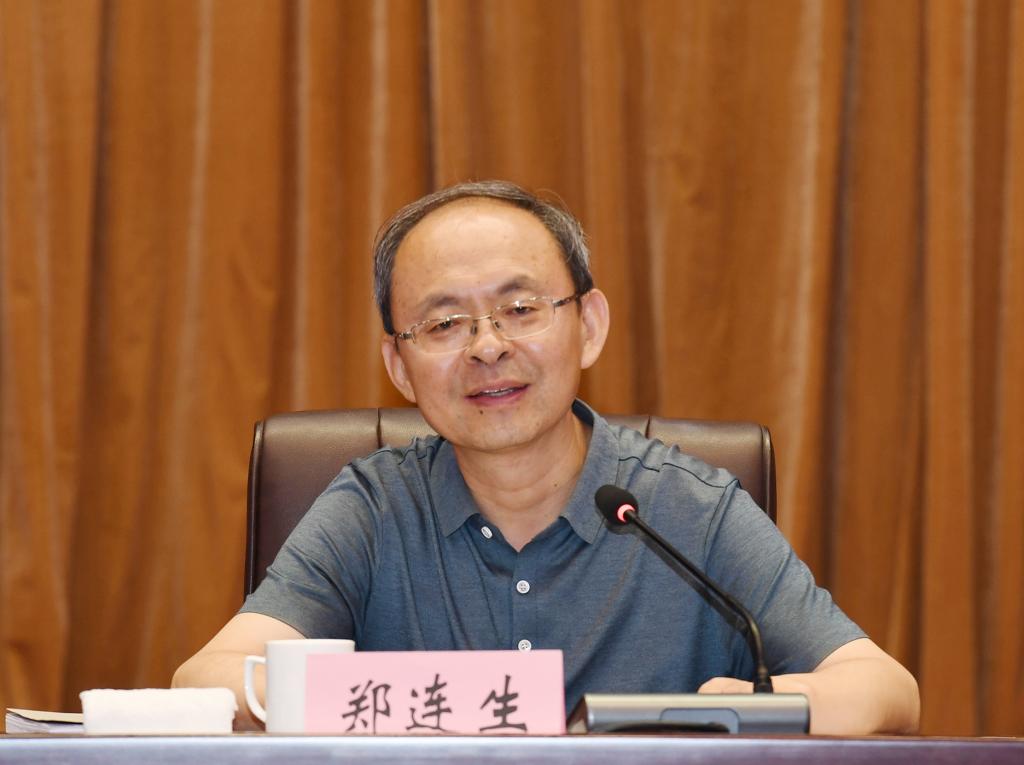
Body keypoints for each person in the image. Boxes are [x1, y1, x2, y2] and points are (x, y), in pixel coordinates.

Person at [173, 181, 919, 734]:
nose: (487, 346)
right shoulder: (373, 509)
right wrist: (382, 698)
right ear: (398, 366)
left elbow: (884, 688)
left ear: (588, 326)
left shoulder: (688, 510)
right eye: (443, 323)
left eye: (521, 309)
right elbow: (205, 680)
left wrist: (753, 706)